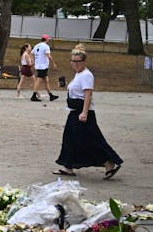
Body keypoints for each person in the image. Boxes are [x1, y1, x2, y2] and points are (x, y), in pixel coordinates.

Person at [53, 46, 122, 178]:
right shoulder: (78, 74)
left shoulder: (87, 75)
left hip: (83, 112)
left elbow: (88, 94)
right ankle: (68, 167)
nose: (74, 64)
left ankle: (109, 162)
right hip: (74, 111)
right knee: (69, 138)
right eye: (72, 61)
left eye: (77, 61)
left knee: (89, 140)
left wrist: (84, 112)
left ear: (84, 62)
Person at [31, 34, 59, 102]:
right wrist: (53, 63)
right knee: (39, 81)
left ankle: (51, 95)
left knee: (46, 80)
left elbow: (31, 53)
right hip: (43, 66)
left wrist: (34, 61)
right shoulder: (46, 46)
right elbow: (48, 56)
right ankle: (34, 96)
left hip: (39, 66)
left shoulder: (37, 45)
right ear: (47, 39)